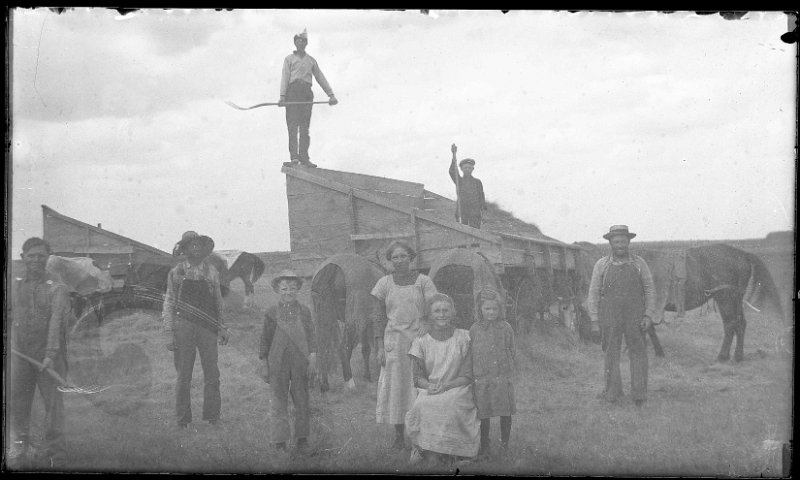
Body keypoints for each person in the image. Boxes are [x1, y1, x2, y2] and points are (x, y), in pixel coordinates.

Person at [8, 237, 71, 469]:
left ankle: (57, 455)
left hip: (49, 357)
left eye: (40, 256)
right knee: (19, 404)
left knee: (53, 408)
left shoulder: (57, 286)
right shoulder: (15, 284)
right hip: (21, 356)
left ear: (47, 258)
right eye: (31, 255)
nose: (36, 259)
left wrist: (50, 355)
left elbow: (57, 322)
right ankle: (20, 449)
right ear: (24, 257)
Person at [371, 240, 438, 450]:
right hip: (394, 343)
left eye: (403, 256)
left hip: (418, 339)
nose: (399, 261)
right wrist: (380, 347)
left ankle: (422, 436)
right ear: (390, 261)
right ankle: (399, 436)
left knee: (420, 385)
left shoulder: (423, 281)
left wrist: (426, 324)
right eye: (395, 257)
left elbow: (435, 306)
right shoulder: (384, 283)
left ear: (411, 257)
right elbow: (378, 317)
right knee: (397, 388)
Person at [163, 231, 229, 428]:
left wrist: (222, 326)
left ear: (204, 249)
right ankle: (182, 419)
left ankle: (213, 417)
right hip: (183, 327)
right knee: (184, 375)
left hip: (207, 327)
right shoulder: (176, 272)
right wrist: (168, 331)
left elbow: (218, 300)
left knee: (212, 373)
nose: (196, 249)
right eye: (191, 246)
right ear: (185, 250)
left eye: (199, 245)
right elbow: (169, 301)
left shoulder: (211, 272)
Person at [405, 293, 480, 466]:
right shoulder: (421, 340)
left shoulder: (464, 337)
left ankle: (460, 454)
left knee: (452, 404)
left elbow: (467, 374)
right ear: (430, 315)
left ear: (453, 312)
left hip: (458, 386)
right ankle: (425, 449)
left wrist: (447, 386)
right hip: (430, 387)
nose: (441, 314)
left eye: (446, 310)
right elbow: (417, 377)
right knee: (422, 404)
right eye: (437, 311)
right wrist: (429, 386)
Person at [587, 225, 656, 407]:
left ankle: (639, 393)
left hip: (635, 315)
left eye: (623, 241)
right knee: (611, 352)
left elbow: (649, 290)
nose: (620, 245)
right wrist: (594, 319)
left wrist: (648, 315)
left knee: (638, 351)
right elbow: (593, 293)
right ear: (610, 243)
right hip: (610, 314)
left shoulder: (639, 263)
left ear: (628, 242)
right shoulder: (601, 265)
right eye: (616, 241)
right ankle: (612, 391)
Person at [259, 269, 318, 454]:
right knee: (278, 401)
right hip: (277, 361)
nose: (288, 292)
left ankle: (302, 439)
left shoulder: (305, 311)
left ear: (298, 289)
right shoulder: (271, 312)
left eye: (292, 288)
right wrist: (264, 363)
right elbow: (264, 340)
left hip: (300, 361)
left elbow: (311, 336)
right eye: (284, 288)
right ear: (277, 289)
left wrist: (313, 357)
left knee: (302, 400)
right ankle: (279, 441)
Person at [279, 28, 338, 168]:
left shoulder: (311, 60)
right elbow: (285, 78)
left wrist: (331, 95)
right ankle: (294, 157)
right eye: (298, 40)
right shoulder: (289, 59)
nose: (301, 42)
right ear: (295, 42)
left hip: (306, 93)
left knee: (304, 128)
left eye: (303, 40)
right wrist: (282, 96)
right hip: (292, 93)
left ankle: (304, 158)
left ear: (306, 43)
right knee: (293, 126)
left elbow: (320, 77)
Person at [469, 287, 515, 459]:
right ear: (480, 309)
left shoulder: (506, 328)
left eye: (495, 309)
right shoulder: (474, 329)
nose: (491, 312)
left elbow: (512, 349)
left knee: (505, 411)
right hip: (482, 378)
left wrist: (508, 370)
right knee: (484, 412)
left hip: (502, 376)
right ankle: (485, 445)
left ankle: (505, 444)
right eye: (487, 308)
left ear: (500, 309)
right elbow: (471, 353)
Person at [449, 144, 486, 229]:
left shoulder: (477, 182)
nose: (467, 169)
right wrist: (453, 156)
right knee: (462, 233)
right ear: (461, 169)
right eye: (465, 168)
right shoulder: (459, 180)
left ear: (473, 169)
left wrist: (483, 213)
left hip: (475, 212)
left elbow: (481, 197)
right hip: (462, 210)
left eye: (469, 168)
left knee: (476, 234)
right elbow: (452, 172)